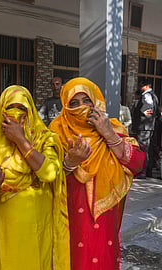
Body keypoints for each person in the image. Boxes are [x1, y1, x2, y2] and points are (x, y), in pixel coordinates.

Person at [49, 77, 144, 270]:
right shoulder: (56, 133)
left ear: (96, 102)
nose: (82, 107)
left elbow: (137, 163)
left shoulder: (113, 128)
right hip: (70, 217)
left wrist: (108, 134)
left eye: (87, 101)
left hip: (105, 220)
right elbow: (47, 178)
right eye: (74, 103)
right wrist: (70, 163)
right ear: (65, 107)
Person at [0, 85, 69, 270]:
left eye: (22, 109)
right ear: (0, 112)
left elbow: (50, 173)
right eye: (10, 108)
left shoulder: (46, 140)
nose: (16, 113)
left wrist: (21, 141)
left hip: (37, 227)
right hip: (3, 230)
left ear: (31, 112)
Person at [132, 79, 159, 178]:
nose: (140, 87)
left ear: (147, 86)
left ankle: (143, 171)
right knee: (148, 149)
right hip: (148, 127)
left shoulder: (147, 96)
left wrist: (145, 116)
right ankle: (147, 171)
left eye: (141, 85)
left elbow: (148, 110)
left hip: (144, 127)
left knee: (143, 148)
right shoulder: (153, 96)